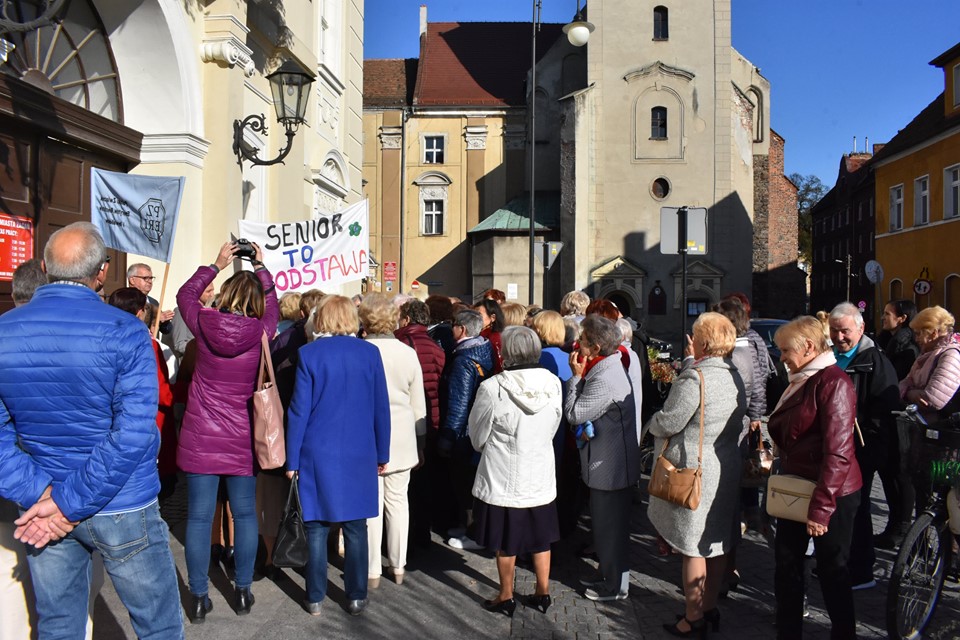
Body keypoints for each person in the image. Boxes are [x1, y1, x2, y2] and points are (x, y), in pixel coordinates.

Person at [0, 222, 184, 639]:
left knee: (59, 626)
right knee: (158, 627)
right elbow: (134, 434)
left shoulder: (5, 331)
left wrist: (48, 496)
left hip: (50, 498)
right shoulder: (127, 330)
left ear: (44, 267)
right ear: (102, 272)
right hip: (113, 502)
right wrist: (56, 500)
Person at [176, 241, 279, 622]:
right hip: (241, 437)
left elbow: (184, 294)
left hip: (201, 434)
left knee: (199, 518)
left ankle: (198, 596)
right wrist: (262, 268)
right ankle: (243, 590)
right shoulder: (262, 331)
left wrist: (217, 264)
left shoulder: (203, 323)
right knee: (245, 514)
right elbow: (274, 306)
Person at [286, 295, 391, 617]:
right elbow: (380, 407)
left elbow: (298, 412)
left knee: (317, 526)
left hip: (317, 450)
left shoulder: (309, 354)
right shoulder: (369, 353)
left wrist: (292, 460)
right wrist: (383, 451)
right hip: (360, 450)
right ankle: (356, 595)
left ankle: (315, 596)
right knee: (356, 526)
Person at [645, 312, 746, 636]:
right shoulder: (734, 375)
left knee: (692, 548)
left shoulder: (695, 378)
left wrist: (651, 423)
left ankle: (692, 618)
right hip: (724, 467)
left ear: (702, 342)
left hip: (695, 472)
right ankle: (709, 607)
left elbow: (671, 420)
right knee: (715, 544)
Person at [767, 316, 862, 640]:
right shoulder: (802, 378)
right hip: (799, 484)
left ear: (808, 347)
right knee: (787, 565)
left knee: (833, 571)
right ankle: (788, 632)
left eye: (785, 350)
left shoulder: (833, 383)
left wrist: (821, 508)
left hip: (831, 492)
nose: (781, 357)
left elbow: (838, 452)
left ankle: (843, 634)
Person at [469, 326, 562, 617]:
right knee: (541, 537)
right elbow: (554, 424)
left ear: (505, 351)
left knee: (506, 539)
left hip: (504, 473)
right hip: (539, 469)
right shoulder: (553, 382)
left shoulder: (493, 387)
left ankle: (506, 595)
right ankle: (543, 592)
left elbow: (477, 435)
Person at [564, 315, 640, 602]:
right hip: (608, 464)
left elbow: (574, 413)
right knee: (606, 527)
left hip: (610, 468)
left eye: (582, 341)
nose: (577, 345)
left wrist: (575, 377)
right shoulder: (607, 366)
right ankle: (608, 574)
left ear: (595, 348)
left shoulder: (606, 377)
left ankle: (615, 587)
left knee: (611, 530)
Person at [828, 302, 900, 588]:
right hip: (835, 448)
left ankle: (861, 569)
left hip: (860, 449)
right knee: (838, 508)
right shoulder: (831, 356)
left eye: (845, 331)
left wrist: (866, 448)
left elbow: (885, 412)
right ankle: (837, 562)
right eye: (834, 331)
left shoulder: (875, 362)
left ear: (860, 329)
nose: (839, 337)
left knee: (857, 508)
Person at [359, 294, 426, 588]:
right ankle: (398, 565)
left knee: (371, 505)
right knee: (398, 503)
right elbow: (418, 404)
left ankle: (372, 569)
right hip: (402, 435)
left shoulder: (361, 350)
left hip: (369, 434)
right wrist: (421, 443)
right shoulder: (407, 352)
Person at [108, 288, 178, 501]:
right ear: (139, 312)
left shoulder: (104, 339)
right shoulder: (147, 343)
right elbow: (161, 391)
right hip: (148, 420)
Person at [897, 306, 960, 524]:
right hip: (928, 436)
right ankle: (923, 539)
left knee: (948, 501)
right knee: (925, 494)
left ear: (932, 332)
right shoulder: (927, 355)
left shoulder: (950, 356)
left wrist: (909, 393)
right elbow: (903, 383)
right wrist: (912, 392)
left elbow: (932, 399)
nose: (915, 339)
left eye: (918, 333)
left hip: (947, 440)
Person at [441, 309, 494, 550]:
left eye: (453, 325)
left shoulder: (463, 360)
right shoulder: (483, 348)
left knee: (464, 482)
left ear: (461, 329)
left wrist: (448, 437)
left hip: (463, 432)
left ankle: (473, 533)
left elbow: (459, 403)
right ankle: (468, 527)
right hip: (477, 426)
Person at [395, 299, 447, 546]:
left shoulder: (402, 343)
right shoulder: (436, 347)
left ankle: (406, 536)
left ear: (406, 319)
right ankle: (423, 533)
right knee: (425, 482)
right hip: (432, 417)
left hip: (407, 418)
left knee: (406, 486)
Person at [879, 299, 920, 381]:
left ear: (902, 318)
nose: (882, 318)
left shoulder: (907, 349)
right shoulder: (883, 341)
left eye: (887, 314)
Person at [127, 262, 173, 333]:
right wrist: (155, 321)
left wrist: (164, 321)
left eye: (151, 278)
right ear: (132, 280)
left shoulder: (153, 302)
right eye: (145, 278)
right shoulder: (123, 300)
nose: (150, 282)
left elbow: (166, 330)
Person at [476, 298, 505, 374]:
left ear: (492, 318)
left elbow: (499, 366)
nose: (475, 318)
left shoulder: (494, 338)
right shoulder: (479, 334)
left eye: (479, 315)